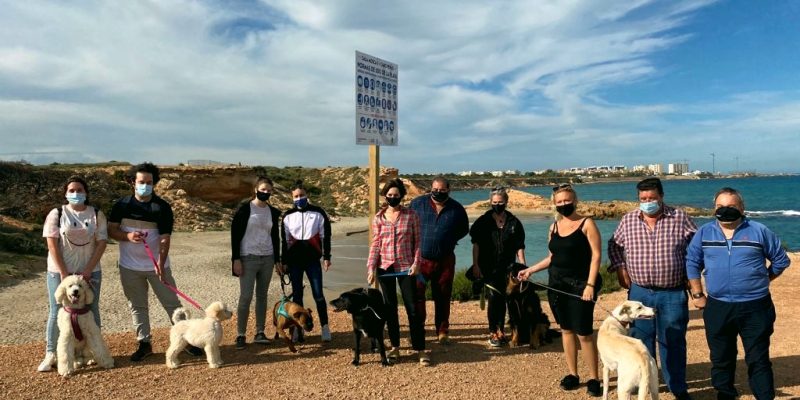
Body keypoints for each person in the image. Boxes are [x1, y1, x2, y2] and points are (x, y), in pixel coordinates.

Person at [686, 187, 791, 400]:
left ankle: (764, 396)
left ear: (742, 208)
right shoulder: (704, 233)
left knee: (758, 358)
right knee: (721, 357)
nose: (725, 210)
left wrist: (763, 279)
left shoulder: (759, 230)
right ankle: (725, 394)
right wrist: (697, 294)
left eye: (731, 206)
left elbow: (781, 260)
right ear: (714, 208)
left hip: (756, 306)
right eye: (720, 206)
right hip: (718, 305)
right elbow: (692, 262)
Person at [607, 177, 697, 400]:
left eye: (652, 198)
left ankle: (677, 388)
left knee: (673, 341)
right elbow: (614, 245)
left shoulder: (679, 217)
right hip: (640, 293)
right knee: (640, 342)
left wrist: (692, 273)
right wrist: (620, 268)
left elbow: (697, 246)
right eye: (643, 198)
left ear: (661, 196)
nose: (648, 202)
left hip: (672, 292)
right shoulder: (628, 220)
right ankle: (645, 385)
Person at [107, 162, 202, 361]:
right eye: (141, 182)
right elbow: (111, 230)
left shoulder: (162, 207)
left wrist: (160, 263)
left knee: (172, 304)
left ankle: (187, 341)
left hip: (157, 267)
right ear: (133, 182)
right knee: (137, 305)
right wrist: (127, 236)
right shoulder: (121, 205)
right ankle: (144, 343)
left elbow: (165, 238)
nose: (145, 186)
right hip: (129, 267)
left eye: (149, 182)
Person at [518, 184, 602, 397]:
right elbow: (552, 257)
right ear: (554, 204)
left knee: (584, 333)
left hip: (581, 286)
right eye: (560, 202)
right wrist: (530, 270)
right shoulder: (554, 227)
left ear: (575, 201)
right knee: (566, 330)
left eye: (567, 200)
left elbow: (596, 256)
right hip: (557, 286)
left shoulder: (587, 223)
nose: (564, 204)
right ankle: (573, 374)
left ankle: (594, 378)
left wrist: (590, 285)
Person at [38, 176, 108, 372]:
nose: (76, 193)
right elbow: (52, 244)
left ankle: (92, 353)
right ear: (66, 193)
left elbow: (102, 242)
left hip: (90, 272)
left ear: (86, 192)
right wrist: (64, 273)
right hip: (59, 272)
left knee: (91, 309)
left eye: (79, 190)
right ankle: (51, 354)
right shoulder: (57, 213)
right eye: (72, 190)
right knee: (57, 311)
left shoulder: (96, 214)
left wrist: (88, 270)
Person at [366, 178, 427, 365]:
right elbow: (376, 244)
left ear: (401, 196)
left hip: (406, 267)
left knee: (412, 308)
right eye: (390, 195)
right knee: (390, 309)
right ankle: (395, 347)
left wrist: (416, 263)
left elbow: (418, 242)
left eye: (396, 195)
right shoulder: (379, 218)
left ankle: (420, 349)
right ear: (385, 196)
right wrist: (371, 268)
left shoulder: (411, 216)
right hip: (385, 268)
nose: (393, 197)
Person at [409, 176, 469, 346]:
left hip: (445, 260)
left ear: (448, 190)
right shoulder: (417, 204)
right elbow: (408, 225)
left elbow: (463, 229)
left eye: (442, 190)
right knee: (417, 296)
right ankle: (418, 330)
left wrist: (448, 239)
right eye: (435, 190)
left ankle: (442, 331)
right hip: (420, 260)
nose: (438, 193)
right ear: (430, 188)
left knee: (443, 296)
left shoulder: (457, 209)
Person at [469, 187, 526, 348]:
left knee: (510, 299)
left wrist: (523, 267)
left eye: (500, 202)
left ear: (506, 202)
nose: (497, 205)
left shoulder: (514, 222)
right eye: (494, 202)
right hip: (488, 267)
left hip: (509, 268)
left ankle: (512, 331)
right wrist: (476, 265)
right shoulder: (483, 221)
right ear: (490, 202)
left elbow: (519, 246)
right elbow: (476, 245)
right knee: (494, 298)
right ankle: (494, 331)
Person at [230, 176, 282, 350]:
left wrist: (277, 260)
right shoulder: (245, 209)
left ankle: (260, 332)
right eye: (263, 189)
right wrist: (235, 259)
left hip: (267, 258)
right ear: (256, 190)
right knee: (245, 297)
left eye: (269, 190)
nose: (266, 192)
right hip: (248, 257)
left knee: (262, 296)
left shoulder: (272, 212)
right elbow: (235, 235)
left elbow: (275, 237)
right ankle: (241, 334)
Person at [280, 180, 332, 342]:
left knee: (318, 295)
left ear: (306, 195)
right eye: (296, 196)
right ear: (292, 198)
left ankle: (325, 327)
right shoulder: (287, 216)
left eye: (301, 195)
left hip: (312, 261)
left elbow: (325, 236)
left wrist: (327, 257)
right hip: (294, 262)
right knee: (297, 296)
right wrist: (284, 261)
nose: (299, 198)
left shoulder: (318, 213)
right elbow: (284, 241)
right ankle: (298, 330)